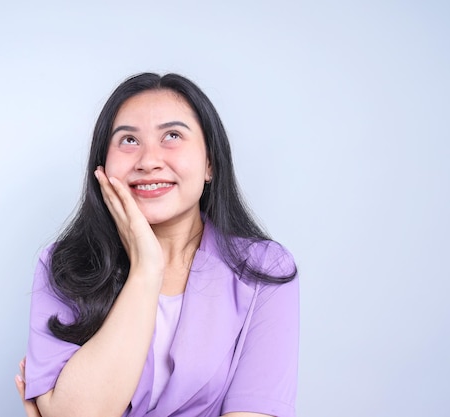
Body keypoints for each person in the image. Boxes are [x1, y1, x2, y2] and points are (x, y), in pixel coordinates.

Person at [17, 73, 299, 417]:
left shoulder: (263, 271)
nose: (148, 161)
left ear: (210, 162)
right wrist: (146, 270)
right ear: (102, 165)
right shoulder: (63, 265)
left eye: (173, 135)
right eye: (129, 141)